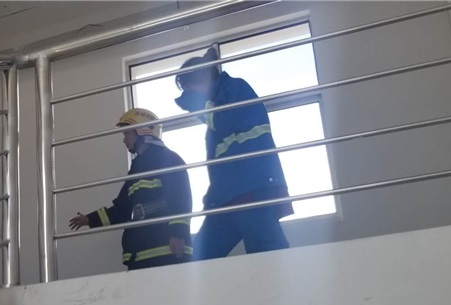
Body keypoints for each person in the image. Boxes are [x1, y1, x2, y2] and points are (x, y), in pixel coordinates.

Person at [174, 48, 293, 260]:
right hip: (226, 197)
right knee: (199, 259)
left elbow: (226, 121)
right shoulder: (215, 108)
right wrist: (212, 199)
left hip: (254, 190)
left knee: (269, 257)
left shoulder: (236, 89)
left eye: (190, 89)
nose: (190, 95)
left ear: (203, 78)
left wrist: (199, 106)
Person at [69, 108, 193, 271]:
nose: (124, 140)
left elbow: (181, 198)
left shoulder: (168, 159)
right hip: (141, 253)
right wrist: (89, 219)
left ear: (142, 131)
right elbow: (123, 209)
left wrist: (178, 234)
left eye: (126, 133)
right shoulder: (137, 167)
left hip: (165, 250)